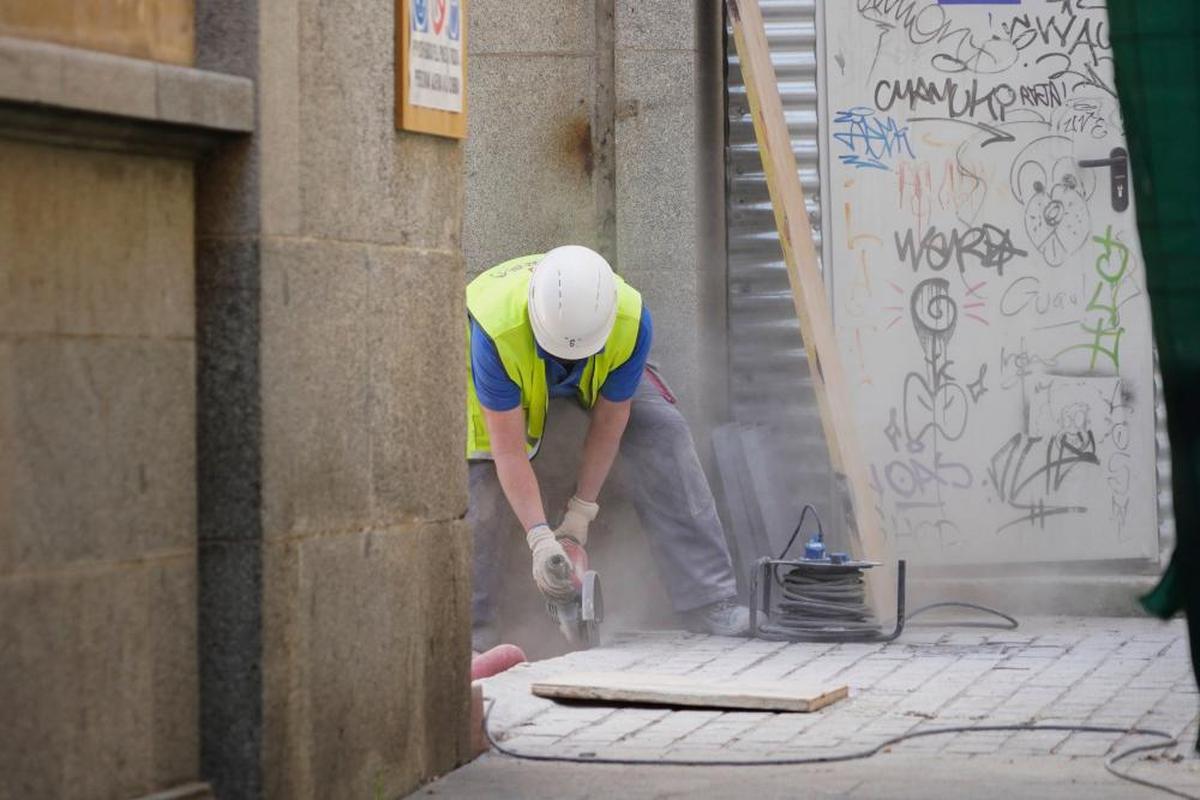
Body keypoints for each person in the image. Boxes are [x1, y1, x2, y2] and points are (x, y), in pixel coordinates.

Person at [466, 246, 752, 652]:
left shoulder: (630, 322)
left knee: (663, 431)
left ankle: (709, 599)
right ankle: (474, 629)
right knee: (481, 469)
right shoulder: (496, 332)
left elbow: (609, 424)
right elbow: (508, 450)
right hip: (509, 355)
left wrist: (580, 515)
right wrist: (541, 539)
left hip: (598, 356)